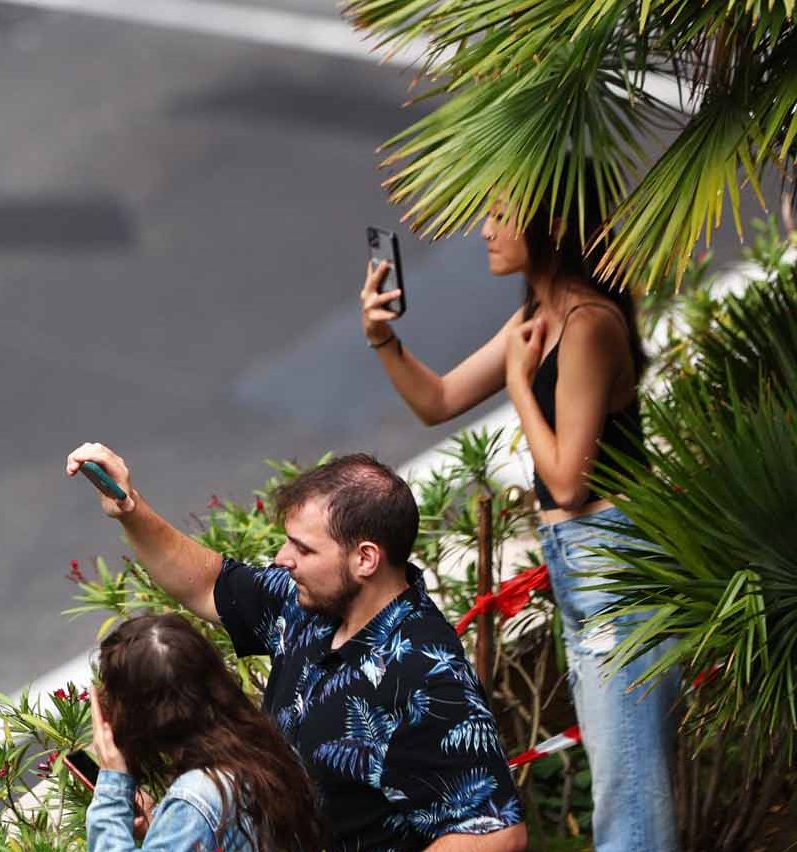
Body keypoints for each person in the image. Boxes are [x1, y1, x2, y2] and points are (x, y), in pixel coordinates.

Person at [360, 203, 679, 852]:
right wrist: (382, 338)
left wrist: (517, 382)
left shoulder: (588, 324)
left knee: (633, 810)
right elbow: (438, 401)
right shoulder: (538, 317)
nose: (486, 230)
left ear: (551, 225)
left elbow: (566, 480)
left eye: (503, 214)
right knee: (624, 793)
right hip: (582, 567)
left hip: (615, 565)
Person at [65, 445, 529, 852]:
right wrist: (130, 507)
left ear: (364, 558)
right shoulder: (306, 603)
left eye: (303, 549)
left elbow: (494, 832)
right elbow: (208, 583)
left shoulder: (425, 674)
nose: (282, 559)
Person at [86, 613, 324, 852]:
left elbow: (205, 807)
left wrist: (112, 785)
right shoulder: (269, 748)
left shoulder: (196, 797)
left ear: (138, 715)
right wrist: (164, 823)